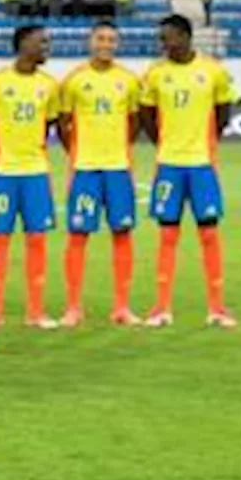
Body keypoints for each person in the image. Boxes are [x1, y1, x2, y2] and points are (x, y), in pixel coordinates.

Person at [139, 15, 239, 329]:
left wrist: (206, 142)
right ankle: (161, 308)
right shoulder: (155, 73)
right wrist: (166, 144)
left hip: (202, 166)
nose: (163, 44)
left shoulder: (213, 71)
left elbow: (224, 111)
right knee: (167, 234)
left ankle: (217, 308)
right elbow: (146, 116)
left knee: (209, 233)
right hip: (168, 165)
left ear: (185, 37)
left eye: (167, 37)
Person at [57, 22, 142, 329]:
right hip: (85, 170)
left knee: (122, 234)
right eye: (101, 39)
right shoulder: (74, 81)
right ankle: (73, 307)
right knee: (78, 235)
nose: (106, 44)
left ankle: (121, 307)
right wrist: (78, 154)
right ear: (90, 41)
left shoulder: (129, 81)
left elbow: (134, 123)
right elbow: (63, 123)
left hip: (119, 169)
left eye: (111, 39)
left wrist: (118, 150)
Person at [0, 25, 61, 331]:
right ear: (24, 44)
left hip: (36, 172)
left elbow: (50, 125)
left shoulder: (50, 86)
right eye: (42, 42)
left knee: (36, 240)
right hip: (3, 173)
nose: (46, 47)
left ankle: (36, 311)